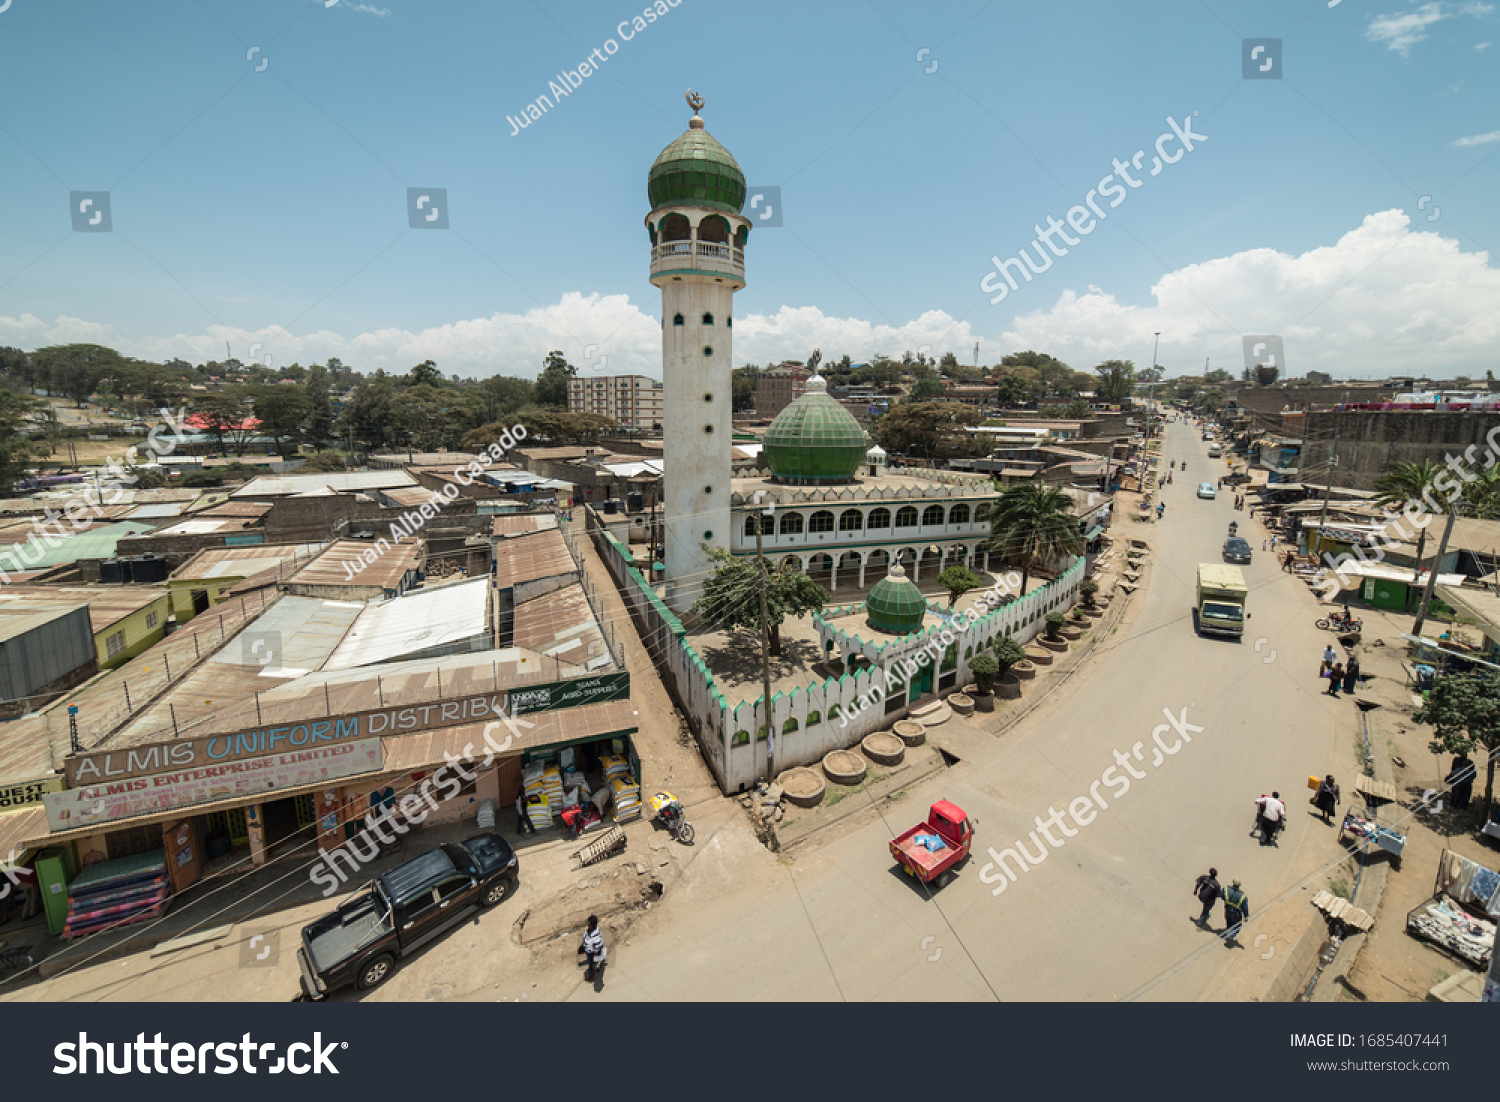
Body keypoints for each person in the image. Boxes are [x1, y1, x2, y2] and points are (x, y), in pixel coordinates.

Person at [579, 915, 605, 981]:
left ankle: (592, 975)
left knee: (591, 963)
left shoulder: (596, 937)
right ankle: (599, 961)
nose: (587, 924)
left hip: (592, 951)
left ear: (592, 925)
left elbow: (597, 948)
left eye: (589, 923)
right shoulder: (590, 930)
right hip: (588, 948)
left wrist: (594, 956)